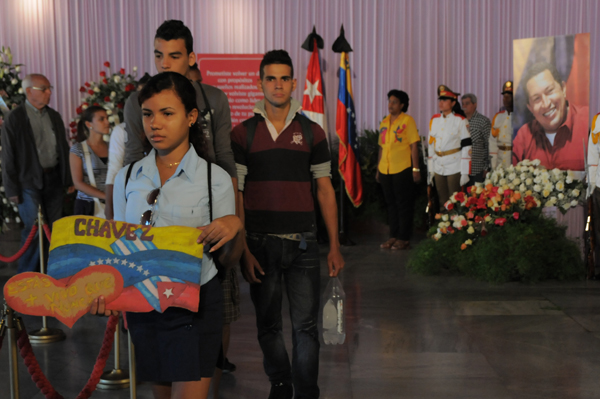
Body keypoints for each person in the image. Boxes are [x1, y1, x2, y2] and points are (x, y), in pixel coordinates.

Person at [95, 72, 244, 399]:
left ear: (191, 117)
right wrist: (108, 292)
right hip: (144, 309)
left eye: (167, 113)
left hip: (196, 307)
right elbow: (121, 247)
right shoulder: (127, 177)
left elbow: (229, 259)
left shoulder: (214, 179)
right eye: (148, 114)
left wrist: (235, 226)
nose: (155, 124)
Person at [231, 50, 344, 399]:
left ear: (294, 83)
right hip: (259, 245)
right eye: (270, 78)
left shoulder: (313, 132)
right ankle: (280, 383)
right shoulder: (242, 135)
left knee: (306, 328)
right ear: (260, 82)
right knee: (268, 326)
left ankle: (307, 391)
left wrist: (335, 246)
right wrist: (242, 248)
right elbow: (237, 193)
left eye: (284, 79)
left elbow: (325, 191)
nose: (277, 85)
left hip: (304, 246)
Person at [1, 74, 72, 273]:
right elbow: (8, 156)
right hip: (27, 183)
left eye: (50, 88)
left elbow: (63, 149)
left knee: (54, 231)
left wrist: (68, 179)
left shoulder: (54, 116)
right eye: (44, 88)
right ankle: (27, 280)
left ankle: (51, 276)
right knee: (34, 231)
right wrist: (11, 189)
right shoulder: (15, 118)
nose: (49, 92)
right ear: (29, 91)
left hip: (54, 180)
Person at [512, 62, 588, 170]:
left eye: (550, 91)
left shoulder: (590, 123)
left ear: (563, 89)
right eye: (537, 98)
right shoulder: (524, 137)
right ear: (530, 108)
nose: (546, 103)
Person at [376, 89, 420, 250]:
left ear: (402, 105)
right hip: (385, 168)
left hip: (402, 168)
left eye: (394, 102)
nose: (390, 105)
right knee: (391, 204)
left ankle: (404, 237)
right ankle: (393, 236)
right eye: (389, 101)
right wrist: (378, 169)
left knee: (403, 204)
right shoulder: (384, 122)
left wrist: (416, 168)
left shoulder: (408, 121)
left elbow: (414, 145)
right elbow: (381, 146)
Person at [105, 72, 152, 220]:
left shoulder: (161, 128)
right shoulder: (121, 131)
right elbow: (114, 170)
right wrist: (109, 207)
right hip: (128, 192)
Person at [427, 85, 471, 210]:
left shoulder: (461, 121)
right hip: (438, 165)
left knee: (455, 200)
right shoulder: (434, 120)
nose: (441, 103)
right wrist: (431, 170)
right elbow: (431, 145)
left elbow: (467, 147)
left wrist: (465, 172)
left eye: (445, 100)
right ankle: (442, 226)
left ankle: (456, 226)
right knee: (442, 201)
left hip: (454, 165)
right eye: (440, 100)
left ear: (453, 103)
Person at [69, 105, 109, 216]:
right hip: (87, 205)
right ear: (88, 124)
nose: (107, 122)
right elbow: (78, 183)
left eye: (107, 118)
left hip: (112, 204)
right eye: (101, 119)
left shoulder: (113, 148)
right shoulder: (78, 149)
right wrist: (106, 196)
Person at [461, 93, 491, 184]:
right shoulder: (460, 121)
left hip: (477, 169)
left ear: (475, 104)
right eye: (463, 104)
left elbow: (488, 145)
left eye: (467, 103)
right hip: (462, 170)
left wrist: (487, 167)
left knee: (476, 197)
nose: (464, 106)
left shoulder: (483, 121)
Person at [586, 111, 600, 277]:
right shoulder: (598, 120)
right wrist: (592, 183)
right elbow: (593, 154)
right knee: (598, 228)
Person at [489, 81, 514, 170]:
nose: (505, 99)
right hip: (499, 160)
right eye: (504, 96)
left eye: (509, 96)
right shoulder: (498, 116)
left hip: (513, 160)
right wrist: (493, 164)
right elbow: (492, 142)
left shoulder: (520, 118)